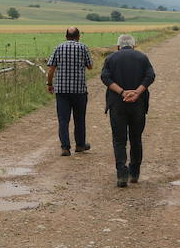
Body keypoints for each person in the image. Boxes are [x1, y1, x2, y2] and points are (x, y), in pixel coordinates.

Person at [100, 34, 156, 187]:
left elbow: (105, 77)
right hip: (138, 104)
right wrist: (137, 92)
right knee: (135, 139)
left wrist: (122, 92)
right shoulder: (142, 57)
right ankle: (135, 173)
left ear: (118, 46)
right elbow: (150, 76)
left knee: (119, 140)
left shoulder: (111, 58)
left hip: (117, 103)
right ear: (134, 45)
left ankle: (121, 174)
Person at [46, 27, 93, 157]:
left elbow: (51, 69)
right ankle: (80, 145)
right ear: (78, 36)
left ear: (66, 36)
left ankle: (65, 148)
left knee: (63, 119)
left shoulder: (58, 48)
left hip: (61, 90)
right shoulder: (83, 48)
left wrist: (50, 84)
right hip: (79, 90)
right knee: (79, 118)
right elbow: (90, 67)